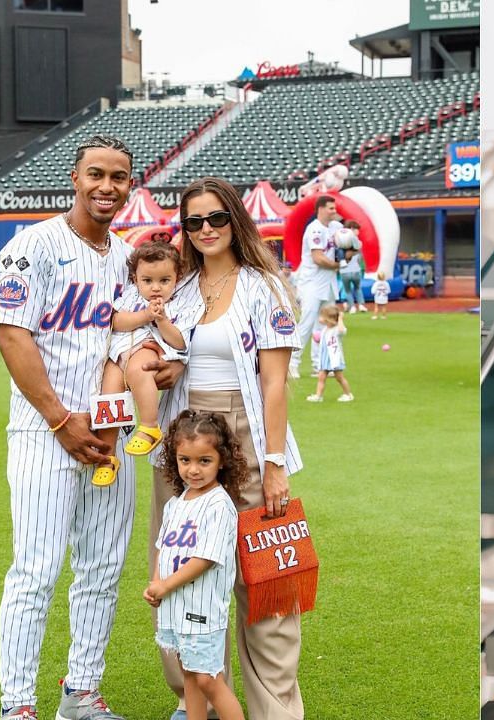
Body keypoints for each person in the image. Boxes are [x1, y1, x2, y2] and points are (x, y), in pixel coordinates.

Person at [0, 134, 145, 720]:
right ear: (74, 178)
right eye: (97, 175)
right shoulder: (32, 246)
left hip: (107, 435)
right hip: (43, 434)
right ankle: (19, 705)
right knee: (35, 570)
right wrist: (60, 419)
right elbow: (12, 334)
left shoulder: (128, 255)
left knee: (103, 568)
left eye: (119, 177)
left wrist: (108, 420)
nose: (108, 187)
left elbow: (128, 339)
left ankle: (81, 692)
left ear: (130, 186)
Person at [148, 176, 305, 720]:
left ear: (235, 219)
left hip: (246, 433)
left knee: (264, 587)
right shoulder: (179, 289)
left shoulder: (265, 286)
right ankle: (197, 699)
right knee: (177, 572)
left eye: (216, 218)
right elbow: (163, 356)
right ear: (184, 231)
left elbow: (275, 383)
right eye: (194, 222)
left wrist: (276, 463)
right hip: (183, 440)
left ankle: (274, 710)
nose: (207, 229)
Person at [146, 410, 250, 720]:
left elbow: (205, 558)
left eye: (204, 461)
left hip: (202, 612)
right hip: (177, 609)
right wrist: (156, 583)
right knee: (189, 675)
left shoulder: (219, 505)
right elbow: (163, 548)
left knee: (207, 679)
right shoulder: (177, 504)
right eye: (184, 460)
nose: (193, 470)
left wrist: (166, 584)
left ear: (222, 461)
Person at [92, 241, 188, 487]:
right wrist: (145, 315)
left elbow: (179, 342)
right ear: (136, 278)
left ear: (177, 277)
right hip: (119, 351)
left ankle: (149, 426)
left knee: (139, 370)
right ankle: (107, 455)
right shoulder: (132, 294)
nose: (156, 288)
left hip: (147, 346)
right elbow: (116, 321)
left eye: (164, 280)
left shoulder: (177, 302)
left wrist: (161, 320)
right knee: (109, 394)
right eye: (148, 281)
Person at [288, 195, 341, 379]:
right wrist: (338, 265)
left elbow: (349, 244)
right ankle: (292, 363)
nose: (334, 211)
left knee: (326, 325)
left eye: (335, 208)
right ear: (320, 209)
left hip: (329, 283)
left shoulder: (336, 227)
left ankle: (319, 365)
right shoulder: (314, 229)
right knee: (306, 323)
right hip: (311, 282)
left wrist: (350, 249)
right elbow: (318, 258)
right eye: (330, 208)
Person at [306, 305, 353, 403]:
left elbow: (341, 330)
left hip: (334, 358)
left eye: (322, 316)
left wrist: (340, 318)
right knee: (321, 377)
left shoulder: (336, 330)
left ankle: (348, 394)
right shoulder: (325, 329)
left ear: (328, 319)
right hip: (325, 358)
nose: (320, 318)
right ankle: (318, 396)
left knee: (339, 377)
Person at [337, 220, 366, 313]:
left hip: (344, 271)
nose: (359, 232)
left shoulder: (340, 242)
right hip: (356, 270)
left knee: (348, 290)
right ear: (352, 229)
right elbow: (359, 258)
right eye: (357, 229)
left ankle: (352, 306)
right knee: (357, 288)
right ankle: (361, 305)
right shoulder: (357, 242)